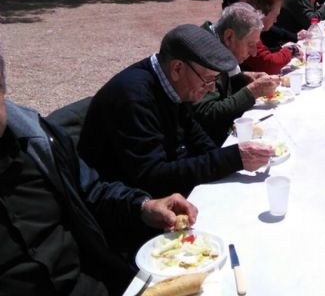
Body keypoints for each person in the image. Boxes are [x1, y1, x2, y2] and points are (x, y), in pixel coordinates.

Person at [0, 50, 198, 295]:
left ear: (3, 92)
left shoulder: (36, 144)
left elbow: (93, 192)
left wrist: (145, 206)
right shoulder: (134, 90)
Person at [79, 24, 273, 198]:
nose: (212, 88)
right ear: (177, 68)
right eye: (208, 79)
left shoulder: (170, 82)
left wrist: (227, 158)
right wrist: (232, 159)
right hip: (125, 203)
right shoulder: (134, 97)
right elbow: (153, 177)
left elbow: (194, 134)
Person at [196, 4, 280, 144]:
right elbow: (207, 113)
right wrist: (253, 91)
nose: (254, 53)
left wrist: (245, 79)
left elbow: (222, 86)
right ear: (229, 37)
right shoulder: (204, 54)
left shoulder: (218, 43)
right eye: (250, 45)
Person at [242, 0, 303, 75]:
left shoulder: (250, 25)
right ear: (263, 12)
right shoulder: (248, 30)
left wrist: (282, 48)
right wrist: (291, 50)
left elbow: (263, 55)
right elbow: (270, 65)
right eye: (275, 16)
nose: (275, 20)